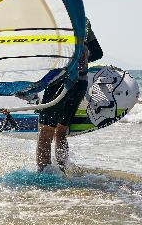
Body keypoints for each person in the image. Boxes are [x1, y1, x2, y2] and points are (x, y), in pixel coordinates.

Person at [36, 19, 102, 172]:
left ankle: (44, 177)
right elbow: (97, 52)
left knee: (46, 130)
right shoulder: (84, 20)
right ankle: (63, 170)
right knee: (61, 131)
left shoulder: (54, 19)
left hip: (60, 82)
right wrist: (80, 60)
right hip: (80, 84)